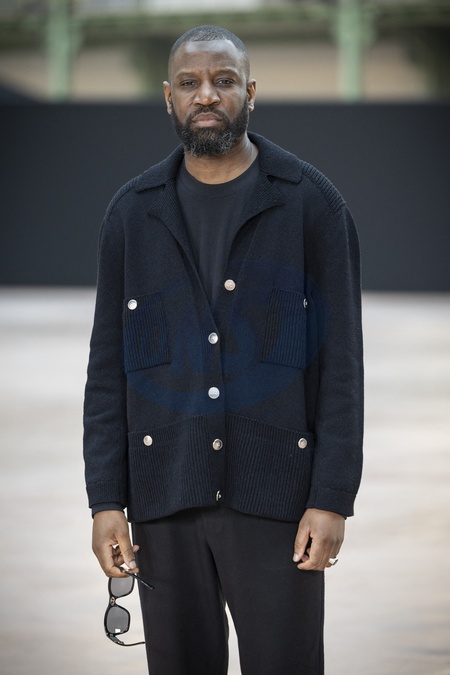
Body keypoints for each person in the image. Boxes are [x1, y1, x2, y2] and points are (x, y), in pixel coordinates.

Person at [83, 25, 363, 674]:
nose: (206, 94)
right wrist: (106, 501)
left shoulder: (311, 204)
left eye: (224, 80)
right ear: (169, 97)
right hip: (164, 496)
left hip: (278, 502)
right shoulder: (132, 212)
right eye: (190, 82)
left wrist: (331, 497)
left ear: (250, 92)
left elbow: (342, 366)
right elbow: (106, 370)